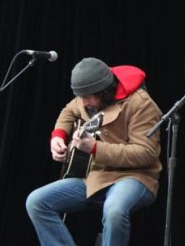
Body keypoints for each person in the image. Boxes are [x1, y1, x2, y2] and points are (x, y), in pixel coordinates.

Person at [26, 57, 162, 246]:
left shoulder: (141, 104)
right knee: (37, 202)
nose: (84, 102)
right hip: (96, 176)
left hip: (134, 177)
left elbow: (145, 153)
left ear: (105, 91)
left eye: (88, 97)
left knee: (114, 210)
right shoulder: (87, 98)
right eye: (81, 97)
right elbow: (68, 111)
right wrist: (58, 136)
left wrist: (95, 148)